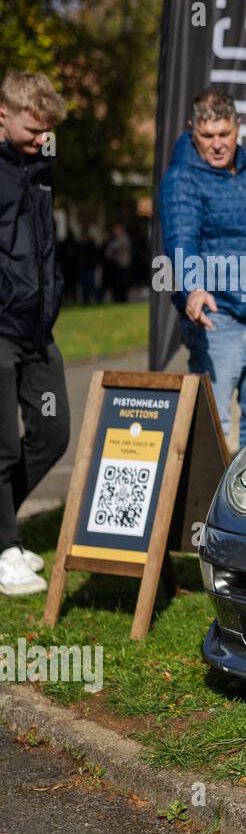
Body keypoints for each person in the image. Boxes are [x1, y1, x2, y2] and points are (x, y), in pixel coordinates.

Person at [160, 87, 246, 448]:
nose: (216, 144)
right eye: (207, 136)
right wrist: (193, 289)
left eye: (224, 134)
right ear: (192, 131)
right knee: (211, 432)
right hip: (220, 322)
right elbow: (180, 238)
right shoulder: (182, 179)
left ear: (238, 127)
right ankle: (203, 506)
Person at [0, 72, 70, 595]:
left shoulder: (41, 165)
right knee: (2, 447)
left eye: (46, 129)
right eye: (32, 127)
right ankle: (5, 548)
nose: (40, 136)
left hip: (38, 329)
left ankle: (2, 531)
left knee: (53, 432)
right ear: (2, 113)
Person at [101, 222, 132, 303]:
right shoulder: (116, 239)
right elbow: (108, 252)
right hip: (117, 265)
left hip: (123, 265)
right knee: (117, 286)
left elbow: (111, 249)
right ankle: (118, 300)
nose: (115, 232)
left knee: (122, 285)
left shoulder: (124, 238)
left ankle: (122, 300)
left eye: (116, 230)